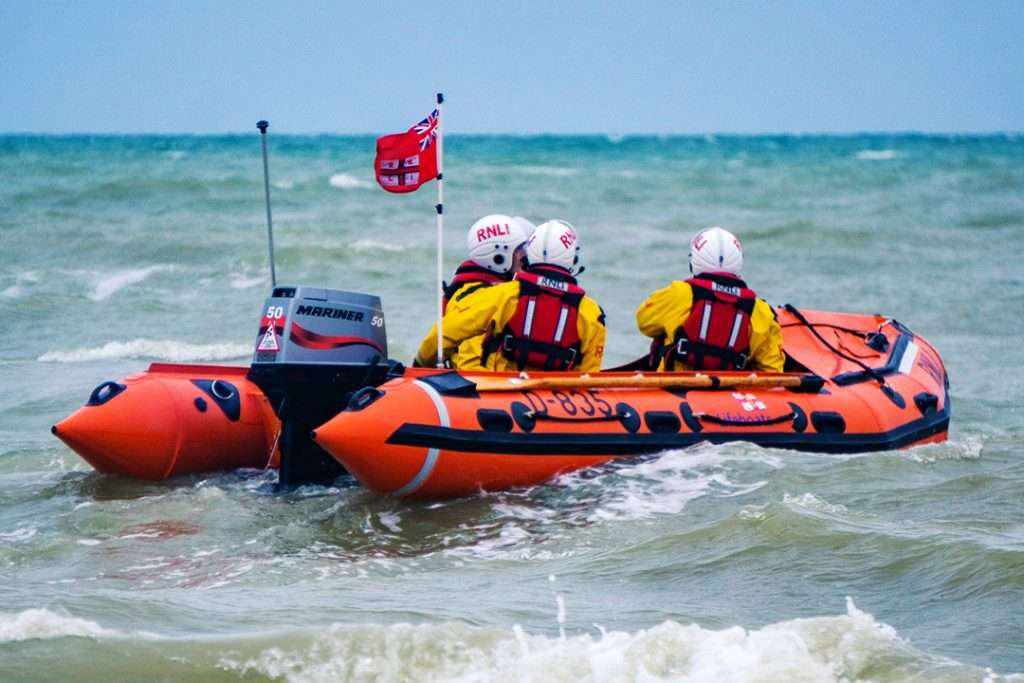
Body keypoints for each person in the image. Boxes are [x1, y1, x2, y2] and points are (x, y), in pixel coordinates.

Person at [414, 219, 606, 372]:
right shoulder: (592, 313)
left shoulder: (504, 295)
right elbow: (587, 375)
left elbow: (444, 334)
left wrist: (419, 366)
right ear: (572, 259)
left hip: (497, 392)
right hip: (556, 403)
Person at [636, 226, 784, 372]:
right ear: (739, 262)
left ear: (693, 262)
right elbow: (772, 368)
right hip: (730, 390)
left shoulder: (679, 293)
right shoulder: (760, 310)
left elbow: (644, 322)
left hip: (675, 387)